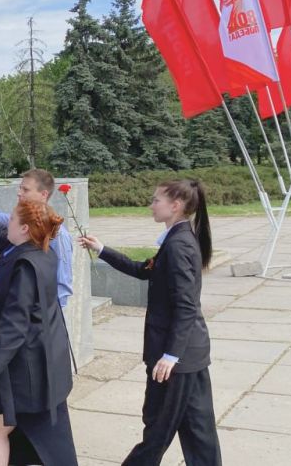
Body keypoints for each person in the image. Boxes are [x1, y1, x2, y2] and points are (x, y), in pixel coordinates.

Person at [80, 179, 221, 466]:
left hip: (177, 358)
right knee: (198, 433)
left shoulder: (178, 245)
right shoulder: (176, 240)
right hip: (190, 355)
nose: (151, 205)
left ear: (176, 206)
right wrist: (102, 249)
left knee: (158, 428)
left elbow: (185, 305)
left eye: (156, 200)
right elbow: (143, 270)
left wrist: (171, 356)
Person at [0, 171, 77, 466]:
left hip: (24, 368)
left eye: (12, 221)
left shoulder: (25, 265)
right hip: (30, 364)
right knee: (12, 433)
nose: (6, 223)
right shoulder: (28, 248)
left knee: (0, 430)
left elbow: (16, 325)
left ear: (24, 229)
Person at [0, 169, 74, 309]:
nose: (19, 193)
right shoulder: (21, 220)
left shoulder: (59, 236)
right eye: (20, 188)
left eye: (25, 189)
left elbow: (62, 285)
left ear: (43, 194)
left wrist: (47, 323)